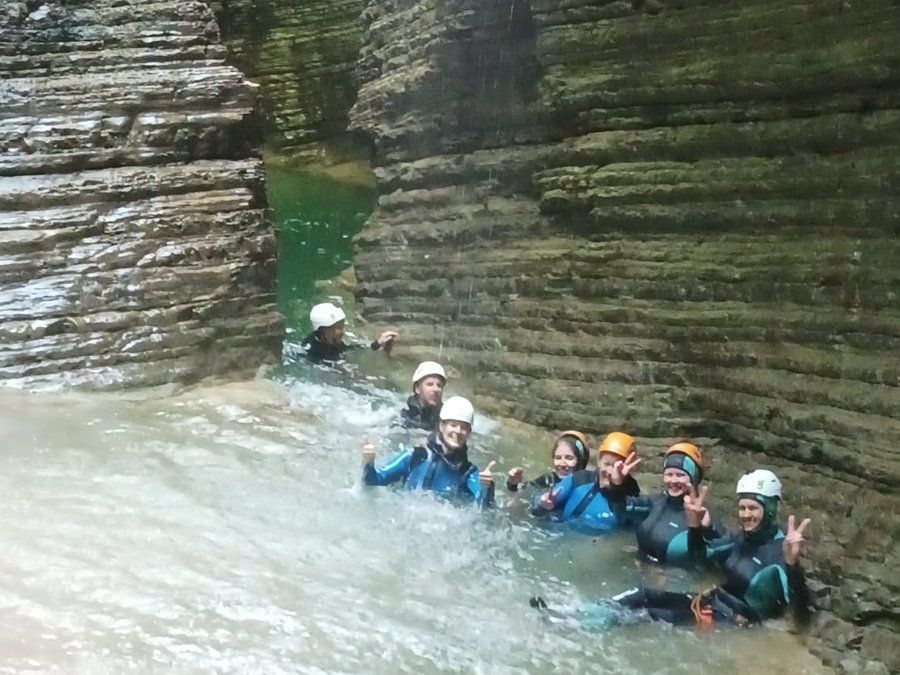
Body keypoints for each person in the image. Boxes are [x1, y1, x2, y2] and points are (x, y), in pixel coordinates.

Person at [571, 469, 812, 629]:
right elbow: (698, 556)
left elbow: (801, 613)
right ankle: (576, 613)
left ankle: (577, 628)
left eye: (753, 508)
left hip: (731, 621)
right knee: (643, 594)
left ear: (769, 509)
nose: (745, 515)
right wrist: (695, 528)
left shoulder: (780, 552)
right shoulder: (740, 539)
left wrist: (793, 565)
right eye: (742, 508)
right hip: (710, 602)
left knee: (649, 615)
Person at [362, 396, 495, 508]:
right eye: (453, 425)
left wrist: (486, 488)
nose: (458, 431)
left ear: (469, 434)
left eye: (464, 428)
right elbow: (374, 480)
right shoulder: (416, 456)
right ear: (442, 426)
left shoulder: (468, 472)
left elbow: (482, 511)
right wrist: (368, 462)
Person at [606, 442, 722, 566]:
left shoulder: (705, 514)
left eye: (680, 475)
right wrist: (616, 485)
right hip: (642, 572)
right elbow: (620, 508)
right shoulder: (656, 502)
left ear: (694, 478)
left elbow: (711, 555)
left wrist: (702, 528)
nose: (673, 480)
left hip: (675, 579)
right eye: (669, 474)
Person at [531, 432, 640, 532]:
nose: (611, 472)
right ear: (598, 461)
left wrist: (616, 486)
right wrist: (542, 505)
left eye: (618, 467)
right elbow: (537, 511)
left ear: (630, 469)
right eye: (607, 464)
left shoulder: (632, 495)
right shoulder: (579, 480)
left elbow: (624, 528)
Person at [302, 302, 397, 363]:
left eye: (342, 326)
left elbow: (349, 350)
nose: (343, 331)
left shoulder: (330, 341)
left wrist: (377, 344)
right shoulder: (314, 352)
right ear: (324, 330)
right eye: (339, 327)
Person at [506, 431, 590, 492]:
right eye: (558, 458)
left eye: (569, 458)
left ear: (580, 461)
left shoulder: (588, 485)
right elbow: (522, 490)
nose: (562, 464)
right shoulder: (548, 480)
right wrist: (513, 483)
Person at [395, 361, 446, 431]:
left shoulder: (446, 416)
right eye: (430, 384)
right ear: (417, 388)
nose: (436, 389)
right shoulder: (403, 414)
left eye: (439, 385)